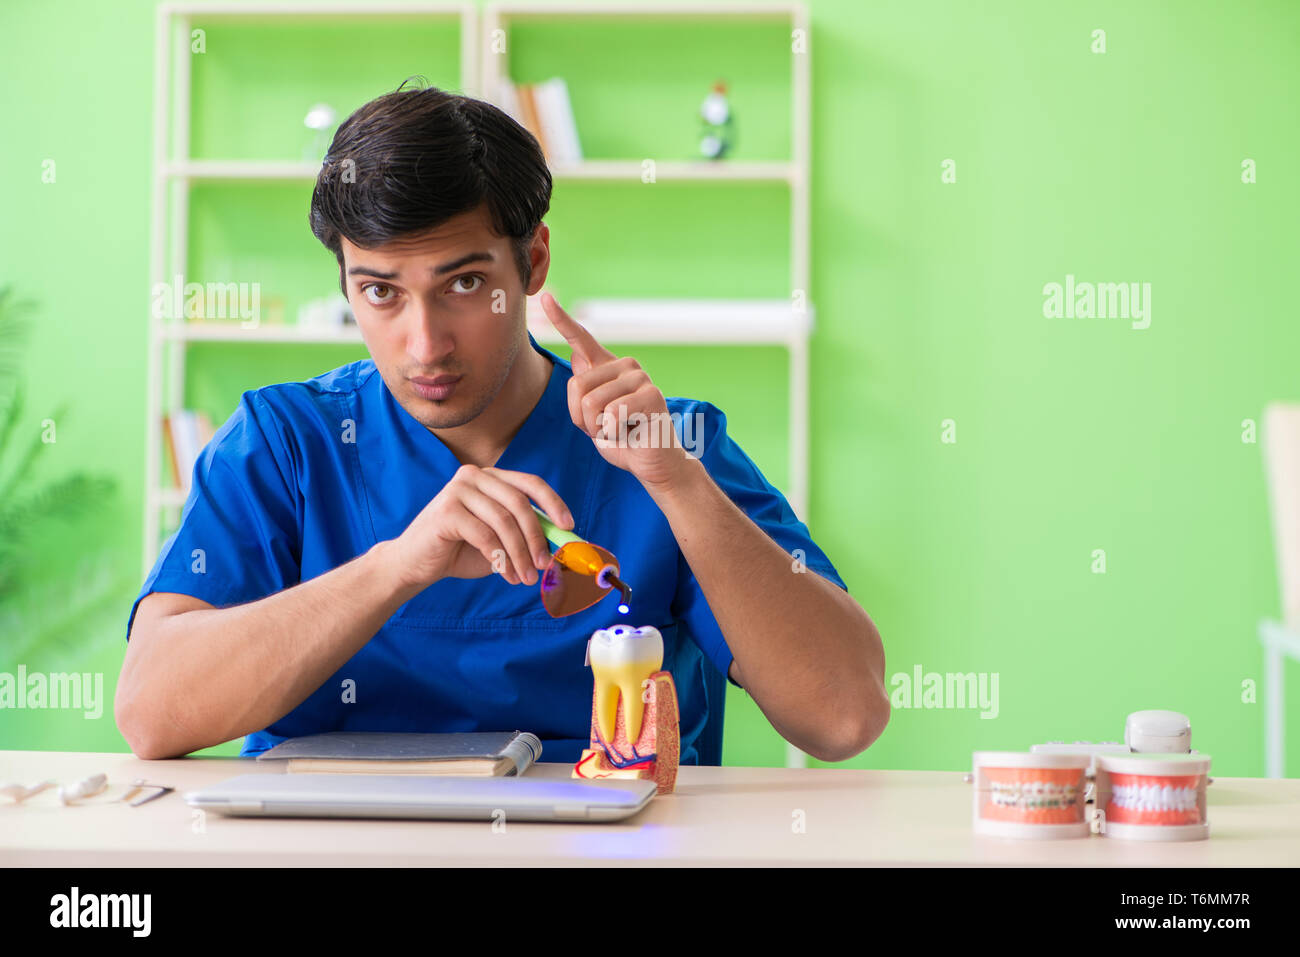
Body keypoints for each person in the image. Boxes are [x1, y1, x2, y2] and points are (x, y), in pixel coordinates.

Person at [116, 85, 889, 765]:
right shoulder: (285, 442)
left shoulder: (669, 448)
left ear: (535, 262)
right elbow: (150, 710)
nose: (425, 344)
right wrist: (397, 567)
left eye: (464, 283)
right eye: (380, 292)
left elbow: (844, 715)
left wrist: (676, 486)